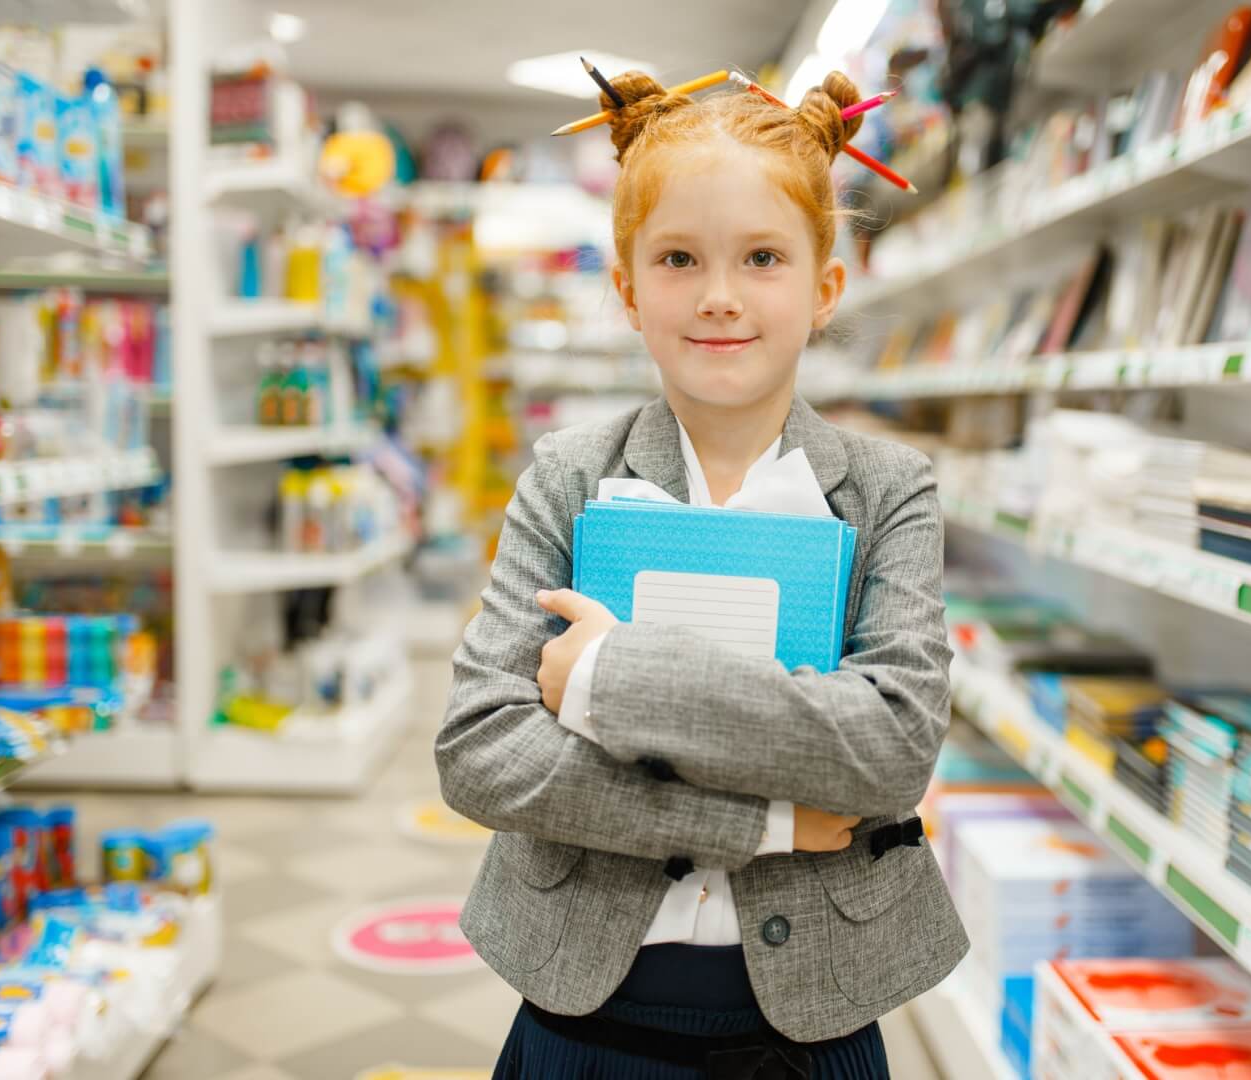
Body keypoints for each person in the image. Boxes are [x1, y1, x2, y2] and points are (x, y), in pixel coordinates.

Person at [436, 66, 967, 1079]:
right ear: (629, 288)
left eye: (762, 257)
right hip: (583, 1013)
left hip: (813, 1021)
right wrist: (762, 819)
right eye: (679, 258)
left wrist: (608, 678)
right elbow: (480, 750)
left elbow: (892, 750)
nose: (720, 297)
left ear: (823, 288)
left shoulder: (889, 490)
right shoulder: (568, 475)